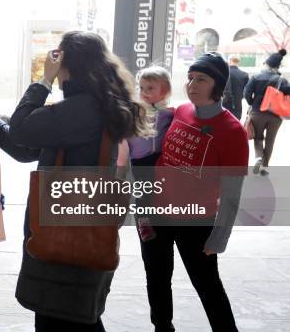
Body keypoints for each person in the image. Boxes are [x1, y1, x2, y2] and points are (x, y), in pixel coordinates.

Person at [0, 31, 149, 331]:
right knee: (76, 318)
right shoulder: (92, 105)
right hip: (80, 225)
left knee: (62, 320)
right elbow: (24, 148)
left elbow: (20, 129)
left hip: (67, 232)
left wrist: (43, 81)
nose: (55, 69)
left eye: (59, 62)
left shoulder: (82, 108)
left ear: (70, 65)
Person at [143, 52, 249, 332]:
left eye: (201, 79)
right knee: (156, 277)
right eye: (190, 78)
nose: (192, 84)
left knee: (207, 285)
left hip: (196, 221)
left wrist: (220, 235)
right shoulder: (180, 111)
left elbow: (232, 191)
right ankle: (162, 327)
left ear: (218, 85)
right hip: (157, 212)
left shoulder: (233, 130)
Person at [124, 66, 174, 242]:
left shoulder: (169, 113)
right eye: (142, 87)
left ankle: (159, 217)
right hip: (139, 158)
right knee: (142, 191)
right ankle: (143, 222)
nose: (144, 92)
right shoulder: (136, 110)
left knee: (157, 190)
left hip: (159, 158)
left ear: (165, 90)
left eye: (150, 88)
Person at [244, 48, 289, 175]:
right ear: (277, 66)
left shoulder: (256, 77)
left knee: (258, 138)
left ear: (267, 64)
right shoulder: (282, 80)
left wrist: (252, 103)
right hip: (275, 116)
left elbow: (246, 93)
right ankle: (264, 166)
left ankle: (258, 157)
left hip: (257, 113)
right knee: (270, 140)